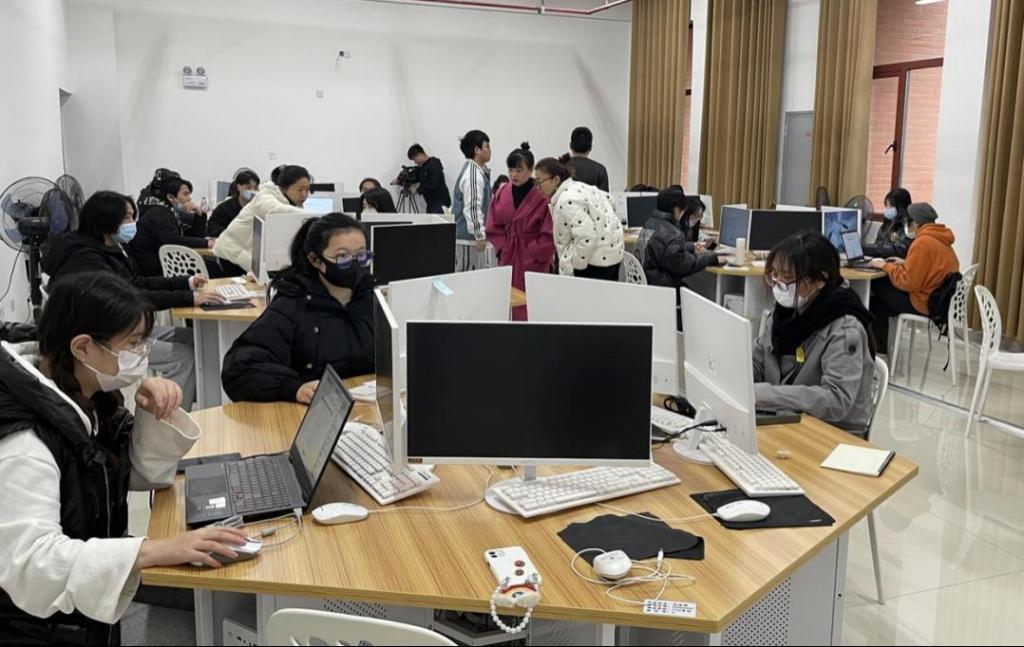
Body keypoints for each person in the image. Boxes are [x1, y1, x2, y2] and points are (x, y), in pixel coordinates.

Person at [0, 272, 248, 644]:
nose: (142, 355)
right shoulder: (25, 444)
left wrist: (151, 412)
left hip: (79, 617)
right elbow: (32, 563)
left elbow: (133, 473)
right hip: (36, 628)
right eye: (133, 344)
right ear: (83, 348)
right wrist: (152, 549)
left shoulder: (86, 394)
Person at [43, 191, 226, 409]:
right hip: (106, 336)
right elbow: (133, 297)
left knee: (194, 339)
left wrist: (186, 283)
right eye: (127, 218)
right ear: (106, 219)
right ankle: (171, 418)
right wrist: (189, 298)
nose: (133, 223)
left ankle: (204, 402)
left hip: (122, 327)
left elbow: (136, 283)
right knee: (183, 356)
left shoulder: (109, 248)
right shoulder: (86, 259)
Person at [222, 214, 375, 403]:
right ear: (315, 259)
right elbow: (238, 370)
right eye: (342, 256)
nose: (355, 264)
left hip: (367, 409)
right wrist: (293, 388)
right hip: (310, 411)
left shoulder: (373, 301)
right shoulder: (292, 306)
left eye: (361, 255)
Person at [754, 231, 876, 434]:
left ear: (820, 280)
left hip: (832, 431)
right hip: (785, 417)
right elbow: (759, 360)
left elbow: (836, 400)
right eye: (774, 274)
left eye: (788, 277)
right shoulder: (784, 313)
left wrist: (765, 395)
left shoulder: (844, 328)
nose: (779, 284)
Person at [868, 202, 959, 351]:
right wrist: (906, 263)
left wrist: (884, 266)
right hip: (936, 300)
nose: (906, 225)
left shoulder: (922, 243)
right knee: (879, 303)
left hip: (924, 303)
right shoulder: (941, 238)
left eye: (907, 222)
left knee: (877, 285)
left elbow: (908, 283)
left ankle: (879, 350)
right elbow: (930, 267)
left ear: (915, 223)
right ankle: (880, 351)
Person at [486, 143, 555, 320]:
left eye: (519, 170)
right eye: (510, 170)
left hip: (534, 257)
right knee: (507, 300)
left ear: (530, 170)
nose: (513, 175)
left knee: (533, 302)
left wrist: (534, 252)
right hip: (509, 254)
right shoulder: (502, 192)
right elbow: (493, 225)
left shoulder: (542, 196)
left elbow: (550, 232)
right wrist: (503, 247)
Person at [534, 157, 624, 280]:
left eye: (539, 182)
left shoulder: (567, 200)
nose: (537, 187)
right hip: (611, 256)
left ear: (556, 179)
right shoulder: (578, 186)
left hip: (593, 264)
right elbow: (610, 200)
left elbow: (586, 237)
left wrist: (575, 267)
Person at [213, 165, 311, 273]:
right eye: (300, 190)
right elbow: (276, 211)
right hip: (232, 254)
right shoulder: (264, 197)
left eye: (307, 190)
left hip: (248, 256)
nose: (304, 195)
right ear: (284, 188)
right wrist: (319, 217)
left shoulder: (291, 204)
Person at [634, 186, 721, 288]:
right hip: (661, 287)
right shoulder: (672, 233)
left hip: (645, 283)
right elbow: (684, 265)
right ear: (676, 210)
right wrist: (712, 258)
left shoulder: (649, 223)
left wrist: (691, 247)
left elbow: (663, 249)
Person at [130, 174, 214, 276]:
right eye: (185, 194)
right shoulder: (159, 213)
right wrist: (207, 243)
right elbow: (173, 239)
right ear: (170, 197)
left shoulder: (171, 212)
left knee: (212, 266)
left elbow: (195, 235)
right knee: (212, 269)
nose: (189, 199)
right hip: (153, 267)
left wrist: (200, 214)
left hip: (166, 261)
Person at [452, 130, 492, 271]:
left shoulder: (477, 171)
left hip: (469, 238)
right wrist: (479, 234)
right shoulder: (473, 175)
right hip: (468, 240)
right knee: (466, 275)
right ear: (477, 150)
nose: (490, 150)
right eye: (486, 146)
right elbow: (472, 207)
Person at [207, 169, 261, 237]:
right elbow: (212, 228)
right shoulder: (224, 208)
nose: (252, 191)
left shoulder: (259, 207)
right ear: (239, 187)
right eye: (248, 187)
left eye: (255, 188)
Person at [864, 187, 913, 259]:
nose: (887, 209)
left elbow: (900, 250)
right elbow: (877, 245)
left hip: (896, 264)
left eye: (890, 206)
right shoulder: (886, 224)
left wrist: (863, 248)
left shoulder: (909, 227)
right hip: (880, 261)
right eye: (886, 206)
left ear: (901, 208)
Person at [407, 144, 451, 214]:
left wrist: (417, 190)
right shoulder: (424, 168)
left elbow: (433, 183)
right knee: (431, 220)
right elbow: (416, 176)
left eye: (414, 159)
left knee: (437, 221)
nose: (415, 162)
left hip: (440, 203)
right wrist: (400, 180)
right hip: (432, 204)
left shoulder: (434, 164)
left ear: (419, 155)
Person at [565, 126, 609, 192]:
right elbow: (604, 196)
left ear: (570, 145)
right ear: (590, 147)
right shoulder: (600, 170)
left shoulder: (560, 167)